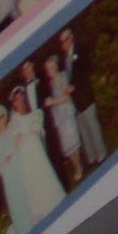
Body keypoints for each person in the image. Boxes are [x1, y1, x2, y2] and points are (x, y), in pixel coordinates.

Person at [1, 86, 65, 234]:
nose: (20, 100)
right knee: (34, 180)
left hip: (37, 149)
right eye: (17, 98)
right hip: (26, 154)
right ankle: (41, 210)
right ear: (13, 103)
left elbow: (39, 130)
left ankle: (53, 201)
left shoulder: (34, 113)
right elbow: (14, 141)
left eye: (21, 96)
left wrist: (34, 131)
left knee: (45, 174)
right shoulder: (14, 121)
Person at [58, 27, 106, 169]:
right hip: (75, 102)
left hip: (85, 95)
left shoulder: (80, 50)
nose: (64, 44)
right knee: (84, 130)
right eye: (61, 42)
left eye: (65, 40)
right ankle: (91, 158)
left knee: (93, 126)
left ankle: (101, 154)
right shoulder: (64, 60)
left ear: (71, 38)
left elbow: (86, 70)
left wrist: (74, 86)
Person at [41, 53, 83, 186]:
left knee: (73, 141)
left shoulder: (63, 76)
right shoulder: (50, 84)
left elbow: (65, 97)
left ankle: (79, 167)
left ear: (55, 67)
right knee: (67, 146)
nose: (49, 71)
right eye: (47, 69)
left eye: (51, 68)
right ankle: (77, 166)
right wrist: (50, 102)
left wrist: (52, 101)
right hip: (59, 118)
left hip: (67, 113)